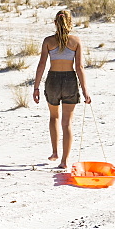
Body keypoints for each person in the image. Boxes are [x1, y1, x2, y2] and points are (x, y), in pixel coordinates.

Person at [33, 10, 91, 169]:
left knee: (54, 117)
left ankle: (54, 152)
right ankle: (64, 161)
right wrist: (85, 90)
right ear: (70, 23)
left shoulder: (48, 41)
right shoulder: (76, 41)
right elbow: (79, 68)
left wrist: (36, 87)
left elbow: (41, 65)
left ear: (55, 23)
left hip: (52, 80)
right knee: (67, 123)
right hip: (70, 81)